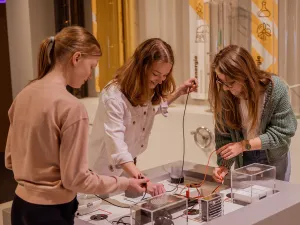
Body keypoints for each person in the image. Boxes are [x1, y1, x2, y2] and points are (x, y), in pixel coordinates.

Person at [5, 26, 148, 225]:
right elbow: (76, 179)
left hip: (20, 208)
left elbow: (10, 160)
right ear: (76, 58)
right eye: (92, 66)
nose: (90, 75)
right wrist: (125, 183)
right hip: (52, 214)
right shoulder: (71, 108)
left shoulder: (23, 96)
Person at [88, 38, 198, 196]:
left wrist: (179, 91)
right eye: (156, 74)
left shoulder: (145, 87)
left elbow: (150, 111)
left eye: (165, 75)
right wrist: (146, 182)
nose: (161, 80)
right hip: (102, 173)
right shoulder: (113, 96)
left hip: (128, 168)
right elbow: (117, 148)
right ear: (141, 67)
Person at [208, 45, 297, 183]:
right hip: (244, 157)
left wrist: (243, 145)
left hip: (274, 157)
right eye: (221, 82)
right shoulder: (226, 95)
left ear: (245, 75)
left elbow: (282, 134)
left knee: (277, 203)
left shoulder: (276, 90)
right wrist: (224, 165)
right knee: (247, 201)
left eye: (230, 83)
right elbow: (224, 136)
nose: (225, 88)